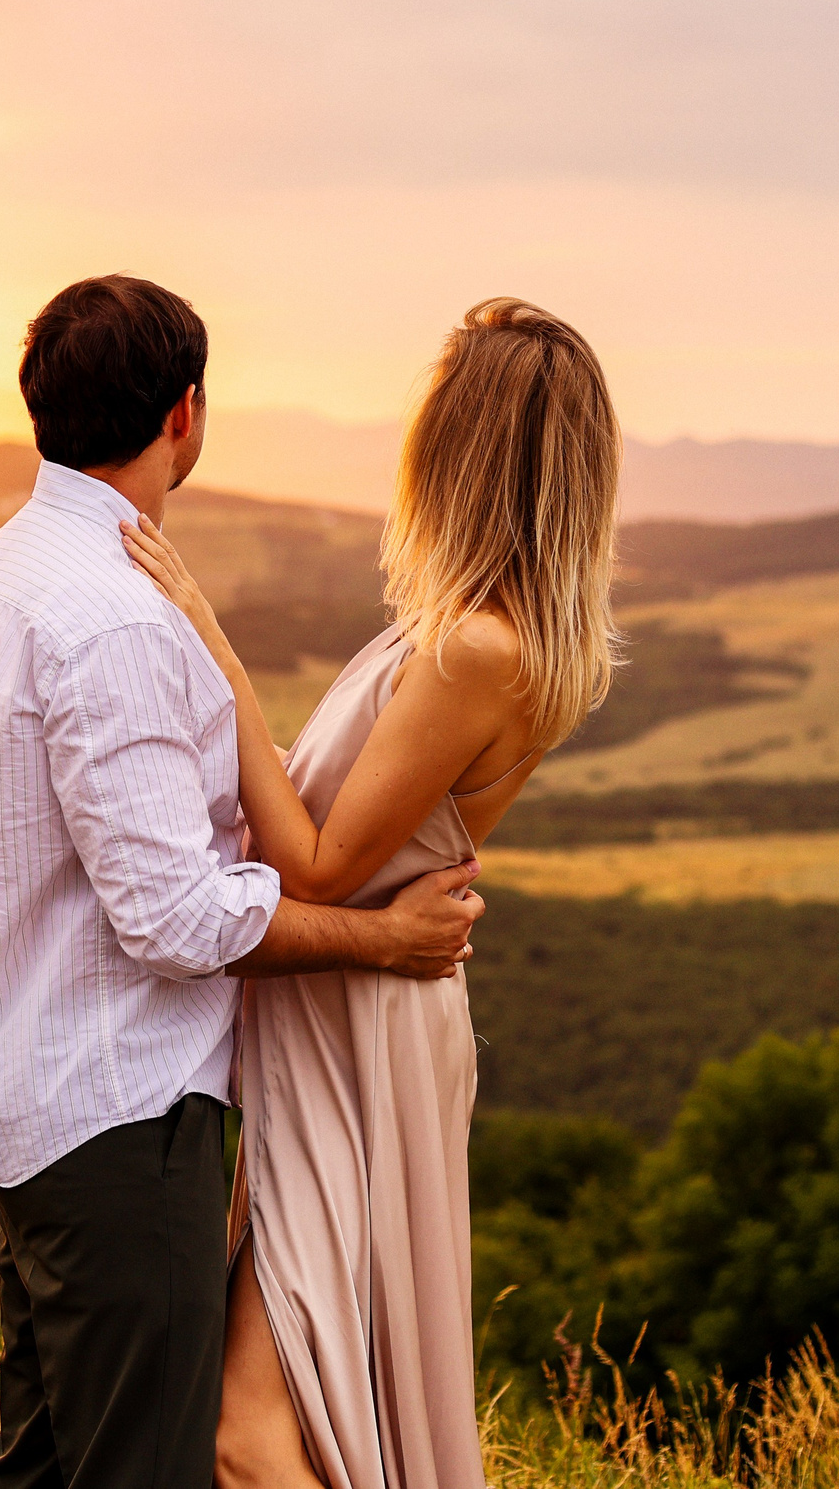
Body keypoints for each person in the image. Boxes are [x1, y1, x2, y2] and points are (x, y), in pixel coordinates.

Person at [0, 274, 489, 1489]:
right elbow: (176, 919)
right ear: (184, 414)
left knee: (40, 1463)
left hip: (19, 1096)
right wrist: (378, 941)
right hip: (117, 1112)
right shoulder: (116, 621)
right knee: (142, 1467)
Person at [120, 297, 621, 1489]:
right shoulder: (472, 636)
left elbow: (322, 865)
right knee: (284, 1407)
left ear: (458, 450)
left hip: (360, 1038)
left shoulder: (477, 653)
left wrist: (204, 635)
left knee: (246, 1437)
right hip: (345, 1016)